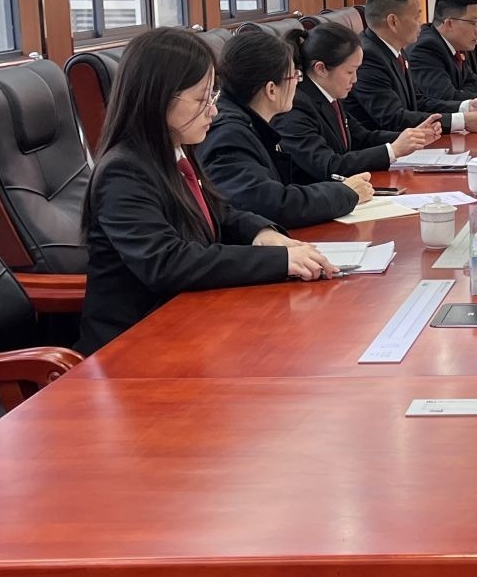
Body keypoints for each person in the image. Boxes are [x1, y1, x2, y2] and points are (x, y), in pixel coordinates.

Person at [78, 27, 333, 355]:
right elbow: (168, 262)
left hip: (190, 322)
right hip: (133, 346)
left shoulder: (176, 149)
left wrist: (263, 234)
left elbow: (219, 212)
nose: (213, 110)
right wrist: (279, 261)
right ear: (159, 98)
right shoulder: (123, 172)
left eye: (213, 96)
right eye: (202, 100)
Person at [196, 28, 372, 230]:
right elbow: (271, 204)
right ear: (271, 89)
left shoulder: (248, 123)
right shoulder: (229, 136)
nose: (298, 84)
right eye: (294, 77)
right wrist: (344, 193)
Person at [280, 18, 444, 182]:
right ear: (321, 69)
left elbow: (363, 138)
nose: (355, 80)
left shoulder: (328, 94)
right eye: (349, 72)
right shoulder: (294, 106)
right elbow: (329, 166)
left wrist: (412, 136)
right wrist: (393, 150)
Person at [350, 0, 477, 135]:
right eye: (416, 17)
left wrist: (466, 107)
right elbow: (394, 118)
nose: (420, 23)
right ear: (393, 22)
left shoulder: (395, 50)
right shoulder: (367, 57)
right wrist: (462, 121)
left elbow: (417, 101)